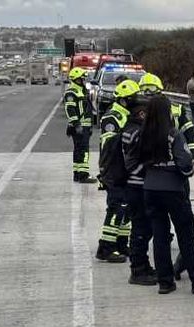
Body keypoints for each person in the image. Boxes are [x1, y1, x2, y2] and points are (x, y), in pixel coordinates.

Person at [137, 94, 194, 295]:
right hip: (173, 189)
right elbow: (185, 163)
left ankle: (165, 281)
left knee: (160, 237)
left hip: (150, 189)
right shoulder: (173, 134)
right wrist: (186, 172)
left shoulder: (143, 134)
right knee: (185, 235)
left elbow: (137, 161)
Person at [95, 79, 141, 263]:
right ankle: (106, 247)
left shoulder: (128, 116)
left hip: (125, 168)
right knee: (116, 208)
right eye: (133, 98)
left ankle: (121, 243)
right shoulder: (112, 117)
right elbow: (109, 145)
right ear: (123, 100)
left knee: (126, 208)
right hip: (114, 169)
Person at [121, 100, 157, 286]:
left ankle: (143, 265)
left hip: (132, 186)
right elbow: (138, 161)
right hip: (138, 185)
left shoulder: (128, 129)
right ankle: (138, 270)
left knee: (142, 228)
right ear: (142, 114)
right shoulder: (138, 133)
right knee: (141, 229)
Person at [139, 73, 194, 160]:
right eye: (144, 89)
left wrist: (193, 154)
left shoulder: (176, 110)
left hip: (173, 156)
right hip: (148, 158)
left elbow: (189, 132)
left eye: (151, 88)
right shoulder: (137, 111)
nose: (147, 91)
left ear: (159, 89)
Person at [64, 67, 97, 183]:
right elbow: (70, 109)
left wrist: (90, 125)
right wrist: (76, 124)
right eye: (82, 79)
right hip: (80, 127)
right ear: (76, 80)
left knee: (79, 150)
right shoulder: (71, 92)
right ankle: (83, 175)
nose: (83, 81)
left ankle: (77, 174)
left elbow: (88, 109)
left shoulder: (82, 91)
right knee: (83, 151)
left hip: (85, 126)